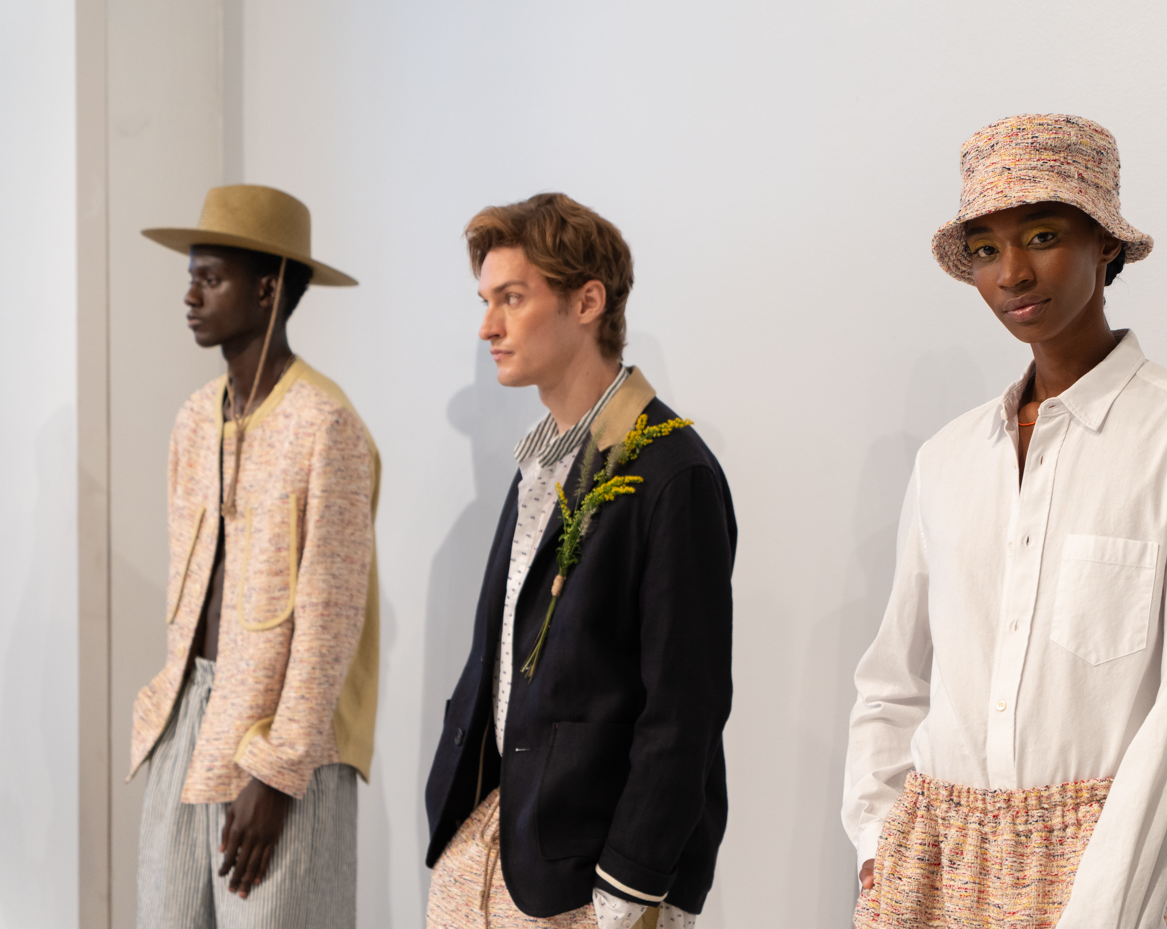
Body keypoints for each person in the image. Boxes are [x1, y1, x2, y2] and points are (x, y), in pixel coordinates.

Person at [842, 115, 1167, 928]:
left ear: (1106, 243)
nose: (1013, 273)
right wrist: (876, 848)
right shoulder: (948, 457)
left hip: (1103, 881)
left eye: (1042, 235)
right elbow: (893, 679)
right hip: (928, 867)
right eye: (987, 248)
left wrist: (1104, 908)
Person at [423, 193, 736, 929]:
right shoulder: (537, 464)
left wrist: (625, 896)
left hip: (593, 881)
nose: (487, 326)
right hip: (491, 848)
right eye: (485, 300)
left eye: (512, 298)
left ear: (587, 301)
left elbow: (684, 711)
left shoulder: (672, 472)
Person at [130, 184, 381, 928]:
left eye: (211, 278)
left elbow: (332, 617)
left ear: (267, 289)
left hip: (282, 740)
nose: (191, 294)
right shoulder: (191, 421)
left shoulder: (326, 425)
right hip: (187, 717)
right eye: (191, 276)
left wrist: (276, 771)